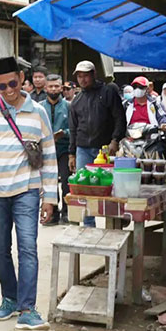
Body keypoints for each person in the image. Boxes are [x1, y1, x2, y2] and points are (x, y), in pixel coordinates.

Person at [0, 56, 58, 331]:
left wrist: (50, 197)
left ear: (22, 79)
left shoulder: (38, 112)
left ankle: (27, 309)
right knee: (0, 251)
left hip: (27, 191)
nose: (9, 90)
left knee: (28, 248)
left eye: (13, 83)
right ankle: (9, 298)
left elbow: (49, 157)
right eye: (2, 86)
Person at [68, 60, 126, 227]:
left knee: (110, 187)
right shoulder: (77, 100)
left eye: (85, 75)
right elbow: (73, 129)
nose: (82, 80)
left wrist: (115, 140)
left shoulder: (108, 92)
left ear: (93, 75)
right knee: (84, 187)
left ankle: (114, 223)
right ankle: (88, 224)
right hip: (82, 149)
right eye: (79, 76)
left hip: (105, 148)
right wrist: (72, 153)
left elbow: (119, 118)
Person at [40, 74, 70, 226]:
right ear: (45, 88)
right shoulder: (39, 107)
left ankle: (66, 212)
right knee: (48, 182)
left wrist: (64, 133)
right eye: (50, 86)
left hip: (64, 149)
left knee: (66, 181)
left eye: (56, 86)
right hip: (45, 151)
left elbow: (75, 128)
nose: (53, 89)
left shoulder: (69, 106)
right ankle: (52, 213)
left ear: (61, 88)